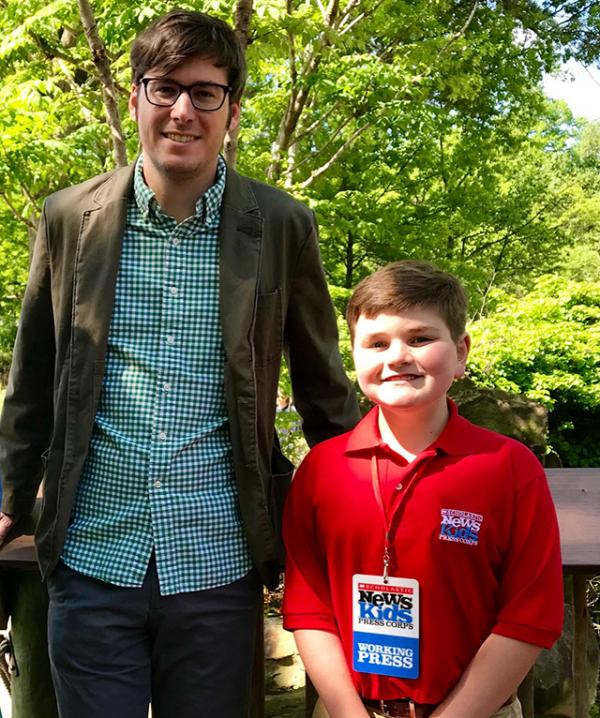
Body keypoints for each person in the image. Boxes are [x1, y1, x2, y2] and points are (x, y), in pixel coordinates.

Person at [0, 10, 360, 718]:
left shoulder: (281, 224)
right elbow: (32, 377)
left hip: (219, 564)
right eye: (164, 88)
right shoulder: (70, 218)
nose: (182, 111)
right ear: (134, 97)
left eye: (206, 92)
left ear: (231, 107)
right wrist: (11, 499)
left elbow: (324, 387)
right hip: (91, 555)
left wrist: (367, 493)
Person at [282, 260, 563, 718]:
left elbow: (530, 616)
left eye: (419, 338)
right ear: (353, 356)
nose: (396, 356)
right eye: (376, 343)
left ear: (461, 351)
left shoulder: (509, 468)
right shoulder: (321, 469)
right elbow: (308, 608)